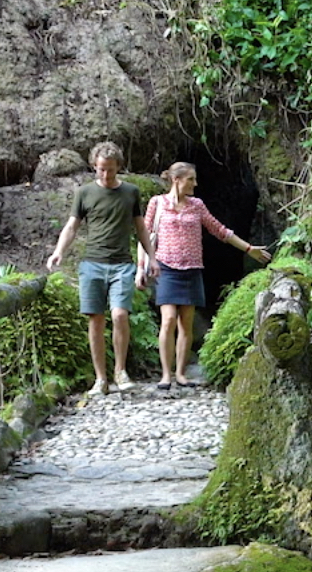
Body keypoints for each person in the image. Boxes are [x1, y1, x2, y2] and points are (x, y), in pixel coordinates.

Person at [140, 162, 271, 390]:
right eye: (191, 179)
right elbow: (144, 234)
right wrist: (141, 267)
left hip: (192, 269)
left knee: (186, 324)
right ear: (176, 180)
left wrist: (249, 249)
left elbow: (220, 230)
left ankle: (181, 374)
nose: (195, 183)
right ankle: (165, 374)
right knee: (168, 319)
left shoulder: (197, 205)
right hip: (166, 267)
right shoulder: (157, 203)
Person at [45, 141, 155, 394]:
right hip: (92, 263)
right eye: (101, 170)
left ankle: (121, 371)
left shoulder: (130, 192)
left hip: (121, 265)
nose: (106, 175)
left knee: (119, 315)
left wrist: (152, 257)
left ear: (118, 167)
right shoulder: (85, 193)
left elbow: (140, 227)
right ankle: (100, 378)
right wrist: (59, 252)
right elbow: (72, 226)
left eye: (111, 170)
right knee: (95, 319)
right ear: (95, 166)